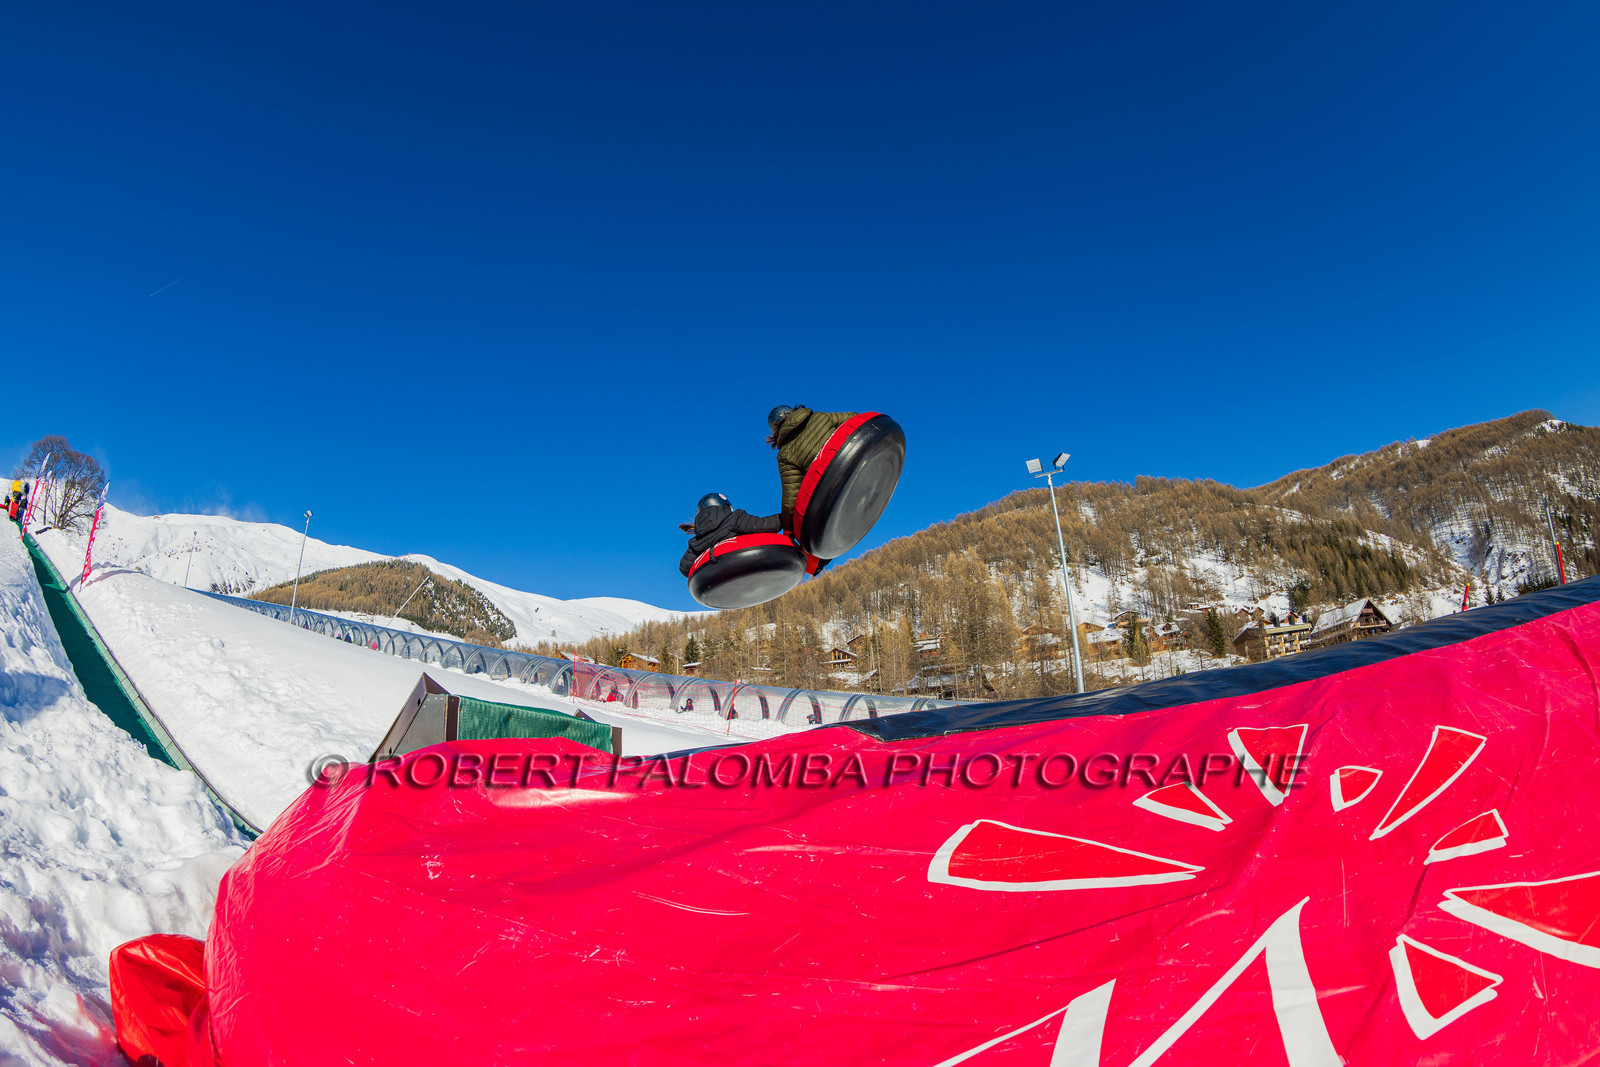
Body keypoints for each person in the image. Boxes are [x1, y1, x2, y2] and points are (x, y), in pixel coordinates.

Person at [767, 405, 858, 532]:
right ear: (792, 411)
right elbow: (854, 417)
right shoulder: (819, 417)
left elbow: (791, 498)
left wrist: (788, 530)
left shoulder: (785, 454)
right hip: (854, 463)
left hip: (833, 489)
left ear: (775, 430)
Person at [678, 493, 783, 577]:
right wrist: (784, 518)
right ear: (726, 507)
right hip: (742, 564)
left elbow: (684, 568)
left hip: (718, 577)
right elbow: (763, 525)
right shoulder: (735, 518)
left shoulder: (696, 542)